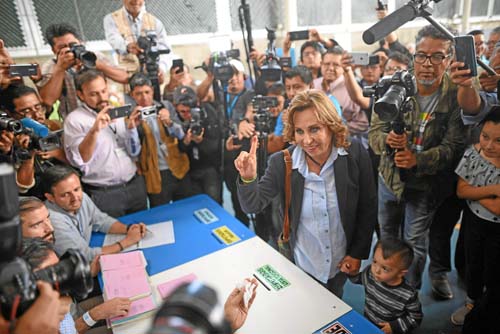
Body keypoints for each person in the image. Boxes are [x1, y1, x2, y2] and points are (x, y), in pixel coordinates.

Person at [235, 90, 376, 297]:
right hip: (300, 265)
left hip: (340, 264)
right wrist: (248, 178)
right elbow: (252, 205)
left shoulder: (354, 153)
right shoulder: (280, 163)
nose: (307, 140)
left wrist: (357, 253)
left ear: (331, 126)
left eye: (314, 129)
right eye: (299, 131)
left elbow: (367, 206)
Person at [369, 25, 469, 289]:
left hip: (425, 184)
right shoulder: (394, 85)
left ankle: (408, 294)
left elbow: (453, 147)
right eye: (422, 55)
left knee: (414, 242)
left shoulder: (457, 94)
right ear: (413, 56)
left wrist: (417, 160)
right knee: (387, 236)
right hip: (389, 180)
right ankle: (384, 288)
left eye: (437, 56)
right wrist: (388, 142)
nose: (428, 64)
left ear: (449, 60)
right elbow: (375, 133)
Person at [63, 69, 148, 217]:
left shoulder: (118, 111)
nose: (102, 98)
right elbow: (80, 159)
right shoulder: (75, 120)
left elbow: (133, 151)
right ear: (80, 95)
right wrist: (94, 130)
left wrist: (132, 128)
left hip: (135, 185)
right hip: (105, 194)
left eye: (103, 91)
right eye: (93, 94)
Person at [451, 108, 500, 328]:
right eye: (485, 137)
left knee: (492, 269)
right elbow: (462, 191)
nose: (489, 146)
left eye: (498, 141)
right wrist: (494, 189)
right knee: (473, 263)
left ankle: (485, 308)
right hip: (473, 222)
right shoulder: (473, 153)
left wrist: (476, 190)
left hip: (496, 230)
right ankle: (471, 302)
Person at [42, 165, 146, 261]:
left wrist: (129, 229)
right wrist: (127, 242)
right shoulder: (52, 220)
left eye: (76, 189)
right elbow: (84, 256)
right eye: (65, 194)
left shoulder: (81, 197)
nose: (75, 198)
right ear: (50, 197)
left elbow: (101, 221)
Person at [38, 23, 128, 120]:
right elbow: (47, 101)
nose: (70, 49)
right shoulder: (52, 66)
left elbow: (125, 78)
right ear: (53, 50)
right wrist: (60, 69)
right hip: (76, 123)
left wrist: (96, 64)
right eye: (62, 47)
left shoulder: (95, 56)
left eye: (73, 45)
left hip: (106, 116)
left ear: (81, 42)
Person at [126, 73, 192, 207]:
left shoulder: (165, 106)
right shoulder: (129, 117)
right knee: (161, 215)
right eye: (138, 93)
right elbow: (133, 153)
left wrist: (170, 123)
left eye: (147, 92)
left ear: (152, 91)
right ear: (132, 95)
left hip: (178, 167)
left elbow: (181, 136)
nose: (144, 97)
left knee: (186, 209)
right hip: (154, 173)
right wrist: (132, 128)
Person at [343, 238, 422, 334]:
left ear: (401, 273)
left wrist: (394, 327)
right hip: (369, 322)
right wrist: (350, 272)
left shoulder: (408, 294)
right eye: (375, 262)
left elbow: (415, 318)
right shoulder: (370, 274)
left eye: (385, 268)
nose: (376, 270)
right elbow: (357, 279)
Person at [3, 85, 68, 198]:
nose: (37, 115)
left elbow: (82, 163)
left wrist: (58, 153)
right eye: (26, 111)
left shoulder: (53, 126)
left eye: (38, 107)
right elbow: (23, 188)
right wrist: (29, 156)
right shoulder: (6, 143)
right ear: (10, 115)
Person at [173, 85, 223, 203]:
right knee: (194, 205)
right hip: (189, 170)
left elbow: (217, 146)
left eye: (190, 111)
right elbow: (180, 149)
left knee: (214, 204)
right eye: (182, 112)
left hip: (210, 167)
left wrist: (201, 141)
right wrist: (186, 141)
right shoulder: (175, 120)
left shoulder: (208, 113)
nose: (187, 115)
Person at [103, 0, 170, 77]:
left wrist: (161, 68)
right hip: (124, 77)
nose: (136, 1)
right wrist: (127, 46)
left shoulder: (155, 22)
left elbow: (166, 50)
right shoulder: (111, 19)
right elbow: (114, 40)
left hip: (149, 78)